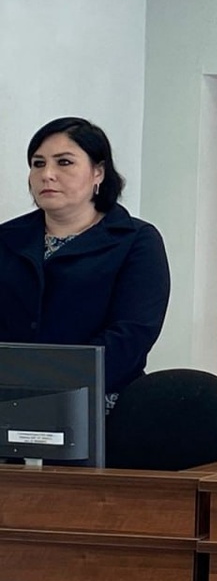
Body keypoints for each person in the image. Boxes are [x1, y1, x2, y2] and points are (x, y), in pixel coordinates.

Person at [0, 117, 170, 403]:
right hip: (9, 396)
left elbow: (131, 336)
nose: (47, 174)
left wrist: (48, 383)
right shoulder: (7, 237)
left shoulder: (136, 240)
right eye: (38, 164)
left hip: (97, 399)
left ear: (98, 172)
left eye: (64, 162)